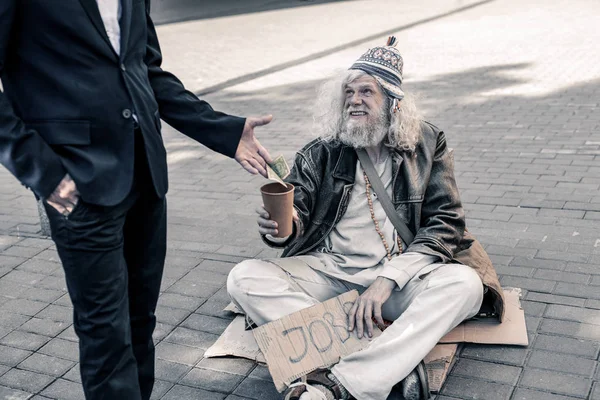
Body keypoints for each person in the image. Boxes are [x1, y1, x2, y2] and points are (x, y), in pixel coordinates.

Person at [0, 1, 272, 399]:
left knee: (139, 323)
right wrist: (45, 175)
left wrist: (224, 131)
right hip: (77, 187)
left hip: (145, 174)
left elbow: (145, 70)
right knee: (106, 336)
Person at [227, 37, 505, 400]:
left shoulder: (426, 141)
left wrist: (388, 279)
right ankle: (383, 361)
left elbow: (446, 221)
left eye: (366, 92)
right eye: (348, 92)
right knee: (244, 278)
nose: (354, 100)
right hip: (332, 274)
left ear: (392, 102)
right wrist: (281, 230)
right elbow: (298, 211)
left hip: (399, 276)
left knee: (464, 285)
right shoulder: (321, 151)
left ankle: (338, 383)